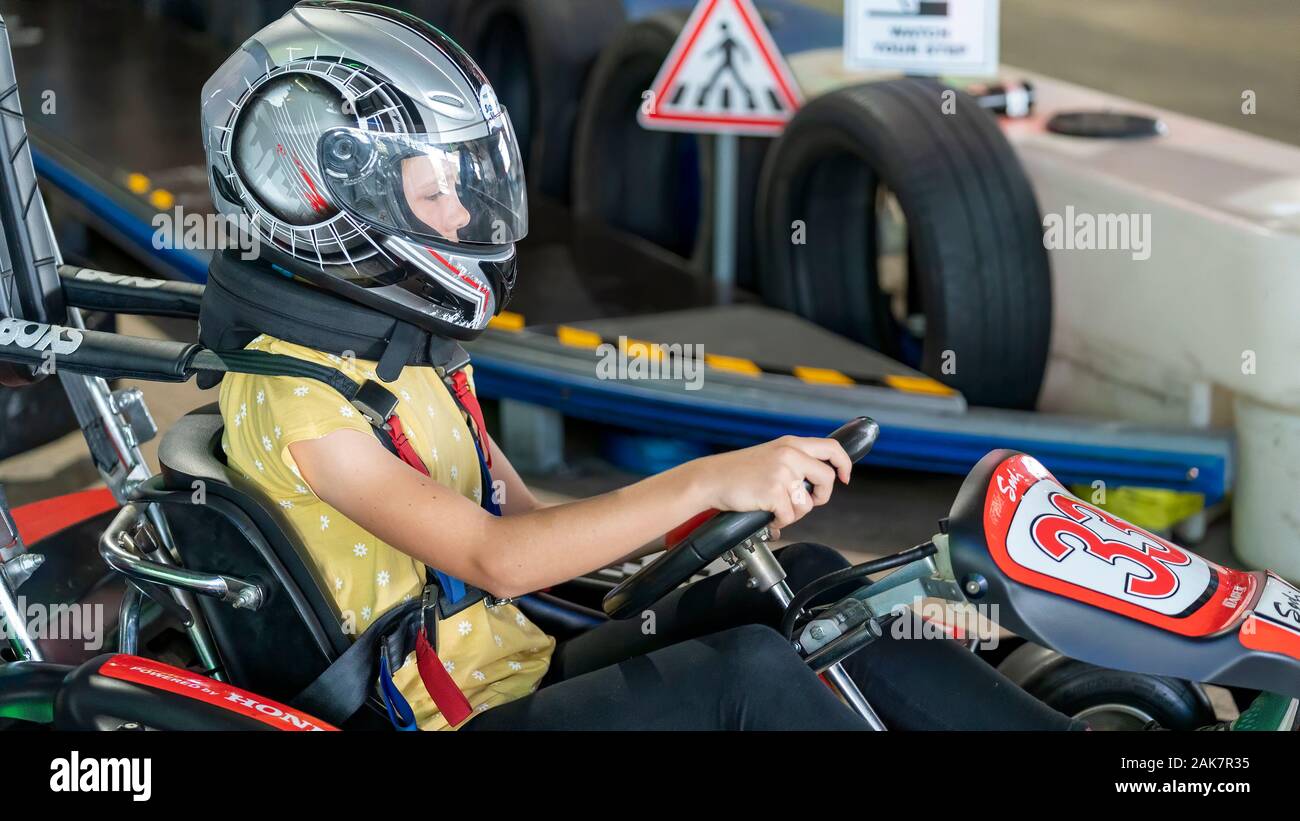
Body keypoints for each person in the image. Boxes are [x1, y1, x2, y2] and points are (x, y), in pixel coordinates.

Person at [200, 1, 1082, 731]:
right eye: (434, 191)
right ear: (322, 202)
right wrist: (706, 476)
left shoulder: (402, 352)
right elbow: (497, 558)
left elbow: (534, 526)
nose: (463, 212)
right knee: (748, 674)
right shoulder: (301, 398)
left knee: (815, 583)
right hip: (447, 715)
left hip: (515, 666)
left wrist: (692, 520)